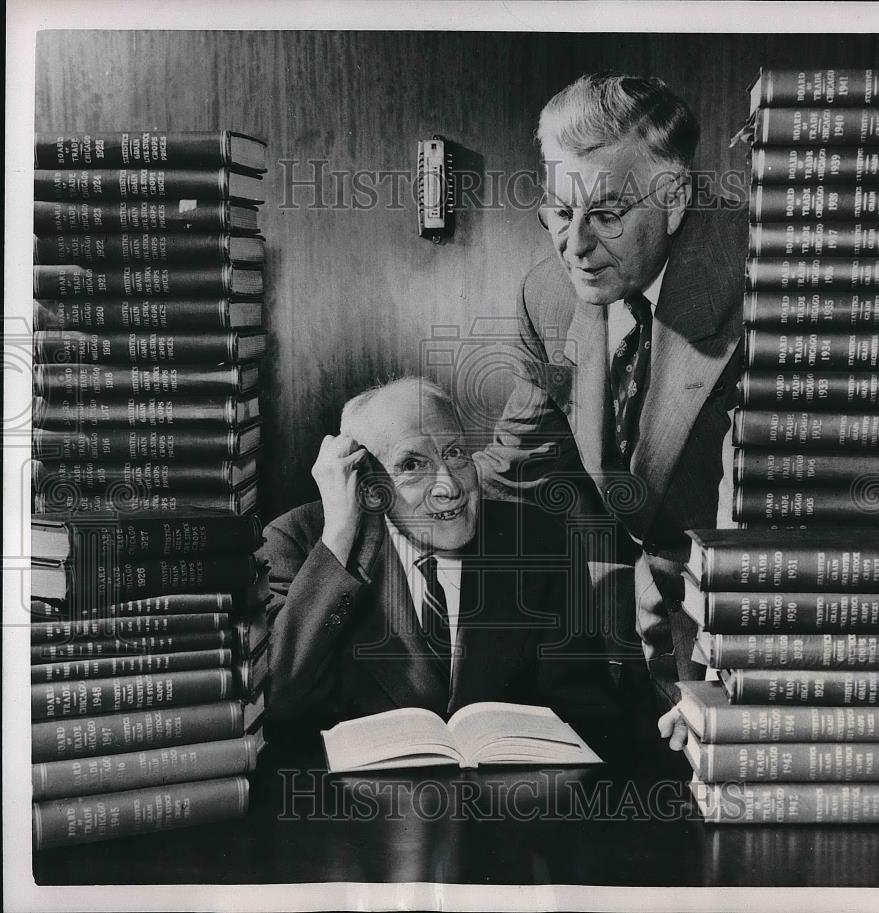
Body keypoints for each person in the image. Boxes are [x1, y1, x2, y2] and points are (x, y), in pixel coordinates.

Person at [473, 74, 747, 749]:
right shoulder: (551, 293)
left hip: (752, 655)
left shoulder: (765, 277)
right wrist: (350, 510)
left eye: (607, 212)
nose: (574, 246)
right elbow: (517, 470)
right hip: (628, 659)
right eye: (558, 213)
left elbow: (791, 521)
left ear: (675, 198)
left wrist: (725, 687)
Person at [260, 377, 618, 740]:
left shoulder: (538, 539)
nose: (449, 487)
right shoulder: (298, 542)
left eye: (455, 453)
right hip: (361, 795)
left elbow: (587, 712)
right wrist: (338, 536)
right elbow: (279, 700)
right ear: (368, 484)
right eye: (413, 465)